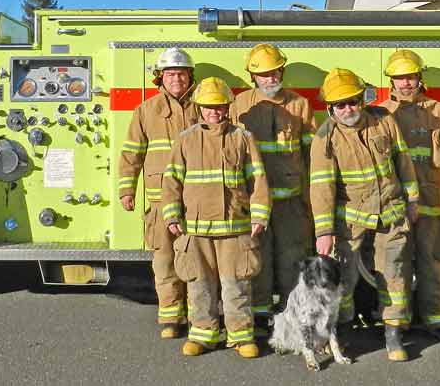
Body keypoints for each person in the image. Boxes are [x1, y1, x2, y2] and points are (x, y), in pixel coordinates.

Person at [309, 68, 420, 362]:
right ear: (330, 108)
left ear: (362, 100)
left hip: (391, 212)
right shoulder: (325, 137)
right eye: (341, 105)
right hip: (351, 218)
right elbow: (321, 187)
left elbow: (403, 161)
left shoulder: (384, 120)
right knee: (343, 278)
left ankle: (393, 335)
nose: (348, 109)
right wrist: (324, 231)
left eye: (353, 102)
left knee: (394, 274)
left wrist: (413, 200)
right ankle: (343, 329)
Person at [161, 77, 271, 358]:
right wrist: (172, 214)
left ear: (227, 107)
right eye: (209, 107)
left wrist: (259, 215)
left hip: (235, 226)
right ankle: (202, 335)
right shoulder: (186, 139)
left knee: (237, 283)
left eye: (220, 107)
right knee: (199, 283)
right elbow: (172, 179)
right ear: (199, 108)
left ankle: (241, 336)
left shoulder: (242, 138)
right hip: (195, 228)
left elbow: (257, 178)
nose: (215, 112)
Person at [229, 44, 317, 331]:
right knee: (258, 260)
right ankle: (260, 318)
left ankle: (292, 318)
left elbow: (311, 155)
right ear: (252, 77)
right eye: (263, 74)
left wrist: (310, 198)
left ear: (282, 71)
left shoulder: (300, 105)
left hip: (291, 200)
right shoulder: (239, 105)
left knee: (293, 259)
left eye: (274, 72)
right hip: (253, 200)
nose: (269, 78)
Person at [117, 47, 200, 339]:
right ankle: (171, 318)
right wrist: (127, 190)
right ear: (159, 78)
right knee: (164, 262)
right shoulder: (145, 111)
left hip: (194, 202)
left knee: (195, 262)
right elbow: (131, 154)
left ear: (190, 76)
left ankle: (198, 317)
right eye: (170, 73)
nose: (176, 78)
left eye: (181, 73)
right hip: (158, 201)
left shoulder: (203, 106)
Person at [377, 50, 440, 342]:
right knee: (395, 263)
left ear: (420, 79)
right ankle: (397, 324)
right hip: (396, 201)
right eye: (400, 78)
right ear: (391, 81)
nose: (406, 84)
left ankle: (438, 321)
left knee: (435, 259)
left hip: (433, 200)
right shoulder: (380, 114)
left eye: (410, 77)